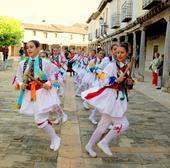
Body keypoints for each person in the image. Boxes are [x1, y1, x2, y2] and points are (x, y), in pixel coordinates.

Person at [82, 43, 134, 157]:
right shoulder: (111, 66)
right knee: (123, 124)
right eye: (117, 52)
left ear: (127, 53)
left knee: (102, 125)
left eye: (122, 52)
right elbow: (102, 78)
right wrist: (115, 80)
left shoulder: (126, 68)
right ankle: (104, 142)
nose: (119, 54)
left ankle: (89, 145)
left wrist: (129, 83)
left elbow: (127, 86)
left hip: (119, 99)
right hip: (111, 98)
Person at [15, 40, 61, 151]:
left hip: (42, 93)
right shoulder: (22, 63)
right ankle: (55, 137)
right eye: (27, 47)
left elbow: (54, 76)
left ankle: (55, 138)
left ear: (38, 48)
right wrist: (21, 84)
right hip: (30, 94)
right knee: (40, 119)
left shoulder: (45, 62)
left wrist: (48, 83)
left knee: (40, 118)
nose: (28, 49)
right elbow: (18, 77)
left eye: (31, 47)